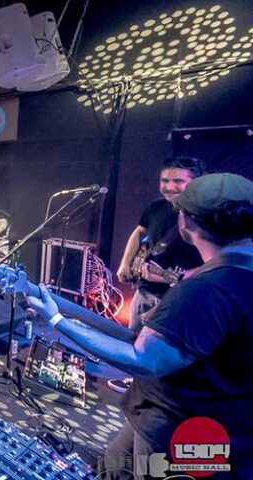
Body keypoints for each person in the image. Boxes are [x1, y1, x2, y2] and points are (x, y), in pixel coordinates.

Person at [25, 173, 253, 479]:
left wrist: (56, 321)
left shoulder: (206, 289)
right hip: (207, 422)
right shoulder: (237, 273)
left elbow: (142, 360)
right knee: (112, 468)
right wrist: (62, 305)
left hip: (173, 428)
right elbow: (140, 340)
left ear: (186, 222)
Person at [110, 157, 205, 393]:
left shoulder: (205, 215)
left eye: (178, 181)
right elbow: (138, 231)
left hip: (179, 295)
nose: (169, 186)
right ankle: (136, 382)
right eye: (165, 180)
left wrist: (173, 279)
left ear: (196, 183)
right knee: (136, 336)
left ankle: (158, 390)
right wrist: (125, 263)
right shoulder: (155, 207)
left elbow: (218, 262)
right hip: (146, 289)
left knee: (164, 347)